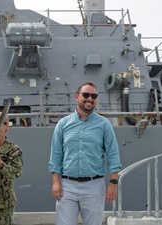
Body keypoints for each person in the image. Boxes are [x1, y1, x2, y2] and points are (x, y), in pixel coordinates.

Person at [48, 81, 122, 225]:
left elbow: (113, 154)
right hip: (67, 185)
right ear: (77, 97)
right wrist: (56, 182)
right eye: (86, 95)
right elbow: (56, 155)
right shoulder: (63, 124)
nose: (90, 99)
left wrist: (113, 183)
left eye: (93, 96)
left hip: (94, 185)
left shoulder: (104, 124)